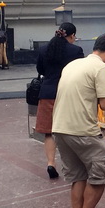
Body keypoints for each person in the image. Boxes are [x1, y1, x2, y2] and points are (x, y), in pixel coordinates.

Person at [52, 34, 105, 208]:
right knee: (98, 175)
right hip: (83, 130)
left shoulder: (72, 65)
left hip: (60, 128)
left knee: (78, 176)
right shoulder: (102, 68)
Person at [35, 22, 84, 179]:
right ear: (71, 35)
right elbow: (80, 72)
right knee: (70, 129)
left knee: (49, 132)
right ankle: (72, 164)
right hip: (68, 94)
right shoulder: (76, 50)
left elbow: (40, 70)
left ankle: (51, 163)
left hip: (48, 93)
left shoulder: (44, 49)